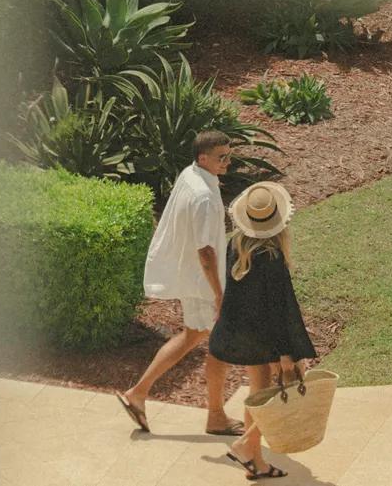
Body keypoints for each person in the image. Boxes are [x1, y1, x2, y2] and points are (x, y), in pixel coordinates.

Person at [116, 131, 241, 437]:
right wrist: (219, 293)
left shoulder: (191, 175)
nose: (227, 161)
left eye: (229, 155)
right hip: (203, 284)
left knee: (193, 337)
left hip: (193, 279)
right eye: (221, 157)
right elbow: (206, 252)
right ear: (203, 158)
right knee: (219, 346)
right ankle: (215, 416)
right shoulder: (204, 198)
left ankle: (138, 393)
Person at [211, 182, 317, 481]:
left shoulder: (237, 245)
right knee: (283, 385)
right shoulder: (271, 258)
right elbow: (278, 309)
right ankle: (247, 444)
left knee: (257, 393)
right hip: (263, 337)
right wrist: (286, 353)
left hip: (241, 331)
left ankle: (255, 460)